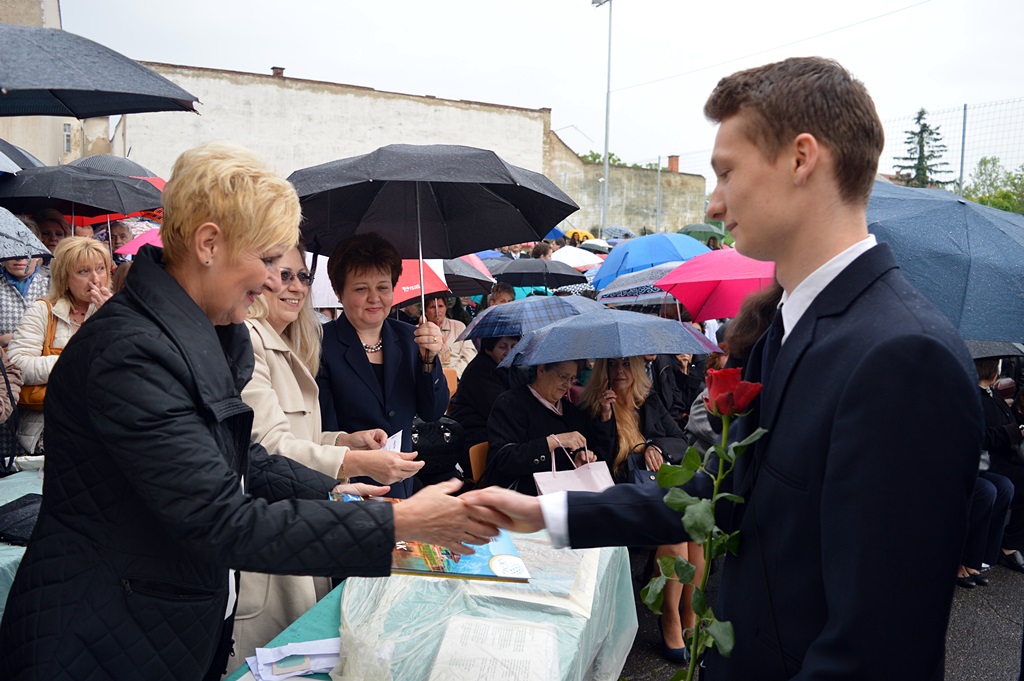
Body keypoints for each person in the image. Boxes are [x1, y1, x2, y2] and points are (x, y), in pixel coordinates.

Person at [465, 57, 983, 679]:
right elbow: (714, 496)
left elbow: (876, 651)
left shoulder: (905, 358)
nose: (714, 204)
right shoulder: (784, 328)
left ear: (801, 159)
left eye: (727, 172)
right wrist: (546, 515)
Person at [0, 142, 501, 681]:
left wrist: (332, 490)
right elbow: (220, 518)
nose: (271, 281)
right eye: (265, 260)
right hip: (100, 640)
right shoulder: (132, 352)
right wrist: (396, 522)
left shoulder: (200, 333)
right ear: (208, 244)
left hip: (160, 623)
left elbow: (239, 460)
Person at [234, 245, 423, 669]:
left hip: (313, 510)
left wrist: (346, 441)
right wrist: (355, 463)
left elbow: (301, 434)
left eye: (302, 277)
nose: (295, 287)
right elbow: (267, 448)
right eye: (284, 275)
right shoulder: (250, 339)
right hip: (281, 524)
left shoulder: (289, 340)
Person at [581, 357, 700, 663]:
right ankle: (669, 618)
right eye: (612, 365)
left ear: (635, 369)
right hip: (622, 502)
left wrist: (655, 446)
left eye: (625, 365)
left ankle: (690, 613)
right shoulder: (591, 409)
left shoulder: (649, 402)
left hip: (657, 495)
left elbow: (680, 440)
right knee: (675, 535)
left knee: (698, 533)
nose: (619, 372)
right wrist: (605, 418)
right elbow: (601, 470)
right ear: (602, 371)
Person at [317, 233, 449, 499]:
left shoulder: (410, 338)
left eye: (383, 287)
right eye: (361, 289)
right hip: (346, 484)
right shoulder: (321, 344)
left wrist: (428, 360)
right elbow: (323, 428)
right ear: (339, 293)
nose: (374, 298)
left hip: (399, 482)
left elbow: (432, 411)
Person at [7, 237, 111, 458]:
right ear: (64, 277)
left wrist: (113, 317)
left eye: (101, 269)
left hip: (105, 424)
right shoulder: (43, 311)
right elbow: (16, 365)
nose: (96, 279)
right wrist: (73, 361)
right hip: (49, 428)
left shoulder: (118, 310)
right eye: (83, 271)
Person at [480, 359, 615, 496]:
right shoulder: (511, 403)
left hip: (564, 495)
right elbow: (503, 460)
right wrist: (552, 442)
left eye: (572, 379)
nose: (568, 385)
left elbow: (599, 452)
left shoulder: (572, 412)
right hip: (522, 497)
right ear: (541, 370)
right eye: (563, 377)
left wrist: (578, 458)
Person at [976, 357, 1024, 574]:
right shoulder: (974, 396)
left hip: (1002, 456)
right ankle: (1007, 546)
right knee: (1002, 487)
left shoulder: (990, 392)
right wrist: (1014, 432)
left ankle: (1008, 544)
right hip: (987, 462)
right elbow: (980, 437)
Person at [448, 335, 517, 447]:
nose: (509, 353)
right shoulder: (479, 371)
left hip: (498, 432)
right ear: (488, 349)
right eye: (502, 347)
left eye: (514, 346)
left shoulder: (512, 368)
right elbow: (501, 410)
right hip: (475, 438)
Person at [423, 293, 477, 379]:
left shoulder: (459, 326)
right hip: (431, 379)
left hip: (458, 377)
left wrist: (453, 375)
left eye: (441, 306)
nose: (437, 311)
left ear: (446, 308)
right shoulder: (419, 331)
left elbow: (470, 355)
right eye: (433, 307)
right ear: (425, 311)